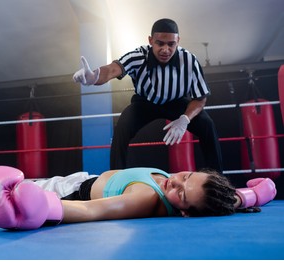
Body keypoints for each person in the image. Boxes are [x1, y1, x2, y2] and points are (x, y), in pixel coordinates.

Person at [0, 165, 276, 230]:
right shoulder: (212, 193)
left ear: (183, 213)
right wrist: (254, 193)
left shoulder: (144, 199)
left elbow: (93, 211)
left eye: (181, 195)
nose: (175, 185)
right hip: (80, 178)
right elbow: (234, 199)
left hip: (71, 191)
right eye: (185, 177)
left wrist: (44, 208)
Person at [73, 18, 223, 172]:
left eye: (171, 44)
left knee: (207, 125)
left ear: (178, 41)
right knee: (122, 127)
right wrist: (93, 77)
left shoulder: (190, 60)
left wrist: (185, 119)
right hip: (145, 103)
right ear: (151, 40)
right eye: (160, 43)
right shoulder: (138, 56)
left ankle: (218, 181)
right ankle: (116, 178)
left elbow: (200, 98)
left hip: (178, 102)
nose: (165, 49)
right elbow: (112, 69)